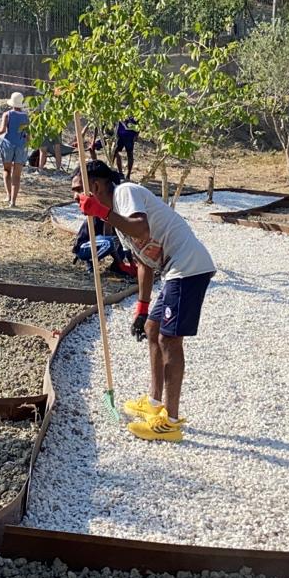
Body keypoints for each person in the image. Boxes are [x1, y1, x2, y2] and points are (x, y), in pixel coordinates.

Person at [74, 160, 215, 441]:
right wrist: (142, 307)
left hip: (187, 267)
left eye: (78, 190)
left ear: (97, 186)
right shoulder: (115, 215)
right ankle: (153, 403)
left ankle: (170, 422)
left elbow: (140, 229)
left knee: (169, 340)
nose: (75, 197)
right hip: (172, 270)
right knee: (152, 328)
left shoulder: (124, 193)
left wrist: (101, 211)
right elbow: (144, 260)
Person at [0, 91, 29, 207]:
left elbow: (2, 130)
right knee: (17, 175)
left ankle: (8, 195)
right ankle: (13, 201)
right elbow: (28, 135)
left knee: (7, 170)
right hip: (21, 145)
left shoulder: (7, 114)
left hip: (8, 144)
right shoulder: (26, 116)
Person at [72, 216, 137, 276]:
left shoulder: (120, 220)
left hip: (97, 243)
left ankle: (116, 267)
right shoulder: (108, 215)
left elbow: (125, 241)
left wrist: (131, 262)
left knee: (120, 239)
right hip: (82, 248)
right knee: (109, 242)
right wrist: (121, 263)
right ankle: (91, 264)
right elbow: (109, 242)